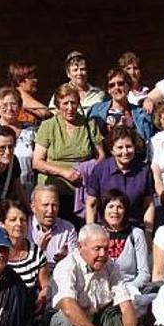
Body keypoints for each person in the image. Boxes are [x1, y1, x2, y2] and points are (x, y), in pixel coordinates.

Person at [49, 224, 139, 326]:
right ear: (81, 247)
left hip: (96, 320)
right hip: (71, 325)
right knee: (66, 321)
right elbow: (68, 307)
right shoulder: (67, 267)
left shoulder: (111, 266)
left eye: (106, 248)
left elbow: (126, 305)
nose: (103, 254)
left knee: (130, 324)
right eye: (97, 249)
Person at [33, 84, 104, 222]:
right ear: (58, 105)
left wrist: (87, 171)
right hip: (54, 192)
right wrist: (64, 172)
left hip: (83, 190)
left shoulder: (89, 124)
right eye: (65, 103)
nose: (70, 108)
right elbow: (37, 162)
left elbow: (101, 156)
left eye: (73, 103)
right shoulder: (48, 126)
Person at [85, 127, 154, 229]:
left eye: (129, 146)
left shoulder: (144, 171)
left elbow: (148, 205)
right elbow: (91, 204)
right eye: (120, 147)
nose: (125, 152)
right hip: (106, 229)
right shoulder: (100, 170)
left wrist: (148, 233)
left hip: (134, 227)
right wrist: (91, 231)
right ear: (112, 150)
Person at [99, 190, 152, 317]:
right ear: (103, 210)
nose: (115, 211)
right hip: (101, 291)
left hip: (130, 291)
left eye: (119, 207)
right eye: (110, 206)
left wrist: (125, 290)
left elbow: (144, 273)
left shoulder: (136, 234)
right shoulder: (96, 233)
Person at [0, 200, 51, 311]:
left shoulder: (36, 253)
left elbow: (45, 285)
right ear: (2, 224)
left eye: (23, 220)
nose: (19, 224)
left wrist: (44, 294)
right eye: (13, 220)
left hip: (27, 311)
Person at [85, 68, 154, 147]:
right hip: (106, 157)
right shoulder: (96, 111)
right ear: (108, 90)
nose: (116, 87)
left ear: (128, 86)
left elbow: (146, 143)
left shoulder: (141, 113)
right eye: (112, 85)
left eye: (120, 83)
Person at [27, 185, 78, 271]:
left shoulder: (68, 229)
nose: (50, 210)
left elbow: (76, 263)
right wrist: (38, 250)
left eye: (54, 205)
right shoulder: (25, 227)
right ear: (33, 207)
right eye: (45, 205)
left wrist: (67, 259)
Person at [0, 125, 29, 205]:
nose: (7, 152)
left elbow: (18, 189)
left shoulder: (14, 161)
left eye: (10, 147)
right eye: (2, 148)